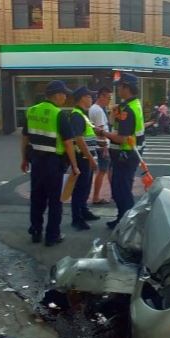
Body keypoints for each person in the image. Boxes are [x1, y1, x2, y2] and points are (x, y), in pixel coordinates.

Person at [21, 81, 80, 247]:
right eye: (64, 94)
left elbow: (25, 137)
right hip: (54, 163)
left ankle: (36, 231)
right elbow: (68, 143)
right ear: (57, 95)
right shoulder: (59, 114)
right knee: (55, 200)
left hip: (36, 162)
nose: (65, 97)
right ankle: (52, 236)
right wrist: (75, 166)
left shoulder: (31, 111)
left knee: (37, 197)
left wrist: (24, 159)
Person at [101, 73, 144, 229]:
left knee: (122, 191)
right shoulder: (133, 105)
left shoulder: (128, 110)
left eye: (120, 86)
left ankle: (127, 224)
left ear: (127, 88)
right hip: (129, 154)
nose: (118, 89)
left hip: (124, 155)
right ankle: (122, 219)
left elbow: (122, 138)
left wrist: (103, 133)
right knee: (121, 188)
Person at [69, 86, 100, 231]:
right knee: (80, 189)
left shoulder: (82, 114)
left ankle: (84, 211)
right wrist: (90, 158)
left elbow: (87, 137)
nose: (91, 99)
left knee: (86, 187)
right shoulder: (77, 115)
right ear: (82, 98)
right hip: (82, 158)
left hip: (87, 157)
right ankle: (77, 218)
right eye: (89, 96)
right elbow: (79, 139)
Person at [89, 87, 112, 205]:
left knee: (108, 170)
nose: (109, 100)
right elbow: (100, 130)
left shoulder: (95, 108)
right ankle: (96, 197)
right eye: (108, 98)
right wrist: (105, 148)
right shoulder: (97, 110)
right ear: (101, 96)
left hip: (99, 145)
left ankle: (114, 192)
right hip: (101, 146)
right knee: (102, 171)